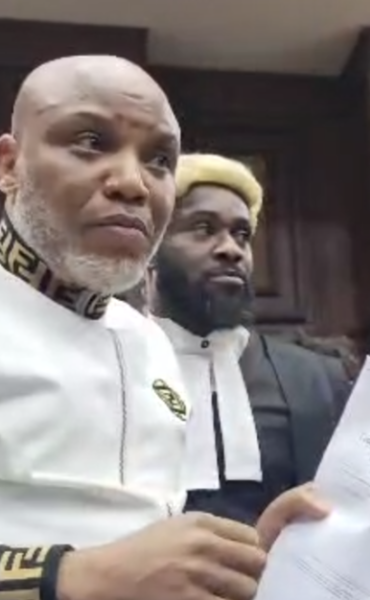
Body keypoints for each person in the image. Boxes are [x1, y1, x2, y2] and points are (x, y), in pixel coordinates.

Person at [0, 56, 328, 600]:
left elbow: (153, 553)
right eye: (89, 141)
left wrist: (244, 559)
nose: (133, 183)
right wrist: (71, 576)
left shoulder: (149, 342)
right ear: (9, 165)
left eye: (158, 160)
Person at [152, 153, 350, 524]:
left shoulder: (318, 380)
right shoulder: (112, 366)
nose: (230, 248)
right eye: (203, 228)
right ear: (152, 247)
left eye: (242, 234)